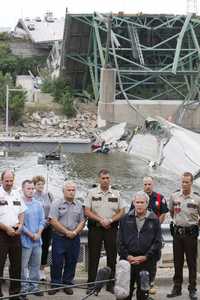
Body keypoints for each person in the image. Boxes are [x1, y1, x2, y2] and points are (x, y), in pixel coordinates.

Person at [84, 169, 126, 294]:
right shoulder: (91, 192)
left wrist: (110, 220)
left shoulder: (116, 193)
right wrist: (101, 220)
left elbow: (122, 211)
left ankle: (110, 285)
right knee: (94, 257)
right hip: (96, 228)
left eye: (107, 178)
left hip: (111, 229)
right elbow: (87, 211)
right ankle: (91, 285)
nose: (106, 180)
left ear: (110, 179)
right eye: (103, 178)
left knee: (112, 257)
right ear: (99, 179)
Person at [118, 191, 162, 300]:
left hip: (146, 262)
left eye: (142, 202)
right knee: (124, 294)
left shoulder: (154, 219)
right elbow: (119, 242)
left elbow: (157, 243)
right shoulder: (125, 219)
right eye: (137, 202)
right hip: (128, 262)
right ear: (133, 203)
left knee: (143, 294)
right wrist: (128, 256)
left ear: (147, 204)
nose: (139, 205)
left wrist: (145, 257)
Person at [130, 176, 169, 294]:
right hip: (141, 234)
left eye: (149, 184)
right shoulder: (138, 198)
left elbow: (163, 214)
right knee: (141, 257)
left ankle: (150, 282)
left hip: (154, 233)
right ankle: (138, 282)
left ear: (153, 184)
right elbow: (132, 214)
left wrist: (155, 226)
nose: (147, 186)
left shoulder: (159, 198)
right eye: (145, 184)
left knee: (153, 258)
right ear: (143, 185)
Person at [167, 172, 200, 300]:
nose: (184, 184)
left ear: (191, 183)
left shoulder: (197, 198)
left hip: (191, 235)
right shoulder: (175, 196)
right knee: (177, 262)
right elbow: (171, 212)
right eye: (182, 182)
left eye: (187, 182)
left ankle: (192, 289)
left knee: (192, 263)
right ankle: (177, 288)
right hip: (177, 234)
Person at [48, 181, 85, 295]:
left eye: (73, 190)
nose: (71, 192)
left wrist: (74, 232)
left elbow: (82, 221)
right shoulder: (56, 203)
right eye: (69, 190)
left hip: (74, 238)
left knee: (72, 261)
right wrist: (66, 232)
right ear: (63, 191)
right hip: (59, 237)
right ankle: (55, 284)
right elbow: (53, 221)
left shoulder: (79, 204)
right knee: (57, 262)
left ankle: (67, 283)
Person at [0, 169, 26, 299]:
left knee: (16, 265)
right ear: (1, 180)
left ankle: (15, 294)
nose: (9, 183)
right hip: (1, 233)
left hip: (16, 233)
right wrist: (6, 228)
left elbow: (21, 212)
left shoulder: (17, 194)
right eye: (7, 181)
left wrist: (21, 225)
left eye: (11, 180)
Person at [20, 180, 45, 298]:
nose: (31, 191)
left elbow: (42, 220)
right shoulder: (20, 204)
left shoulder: (38, 204)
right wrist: (30, 234)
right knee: (23, 266)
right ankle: (23, 288)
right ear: (23, 189)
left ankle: (34, 287)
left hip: (37, 240)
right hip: (25, 240)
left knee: (35, 265)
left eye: (32, 189)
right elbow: (19, 223)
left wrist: (39, 233)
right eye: (28, 189)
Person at [32, 175, 54, 281]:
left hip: (47, 226)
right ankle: (33, 269)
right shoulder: (32, 195)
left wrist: (48, 221)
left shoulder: (49, 195)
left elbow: (53, 209)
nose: (41, 186)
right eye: (38, 184)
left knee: (45, 248)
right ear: (34, 185)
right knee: (35, 248)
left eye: (42, 184)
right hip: (36, 227)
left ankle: (41, 270)